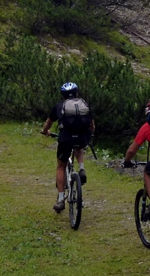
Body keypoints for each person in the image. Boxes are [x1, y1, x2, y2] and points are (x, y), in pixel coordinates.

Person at [41, 82, 95, 212]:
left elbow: (48, 124)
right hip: (82, 137)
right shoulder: (84, 105)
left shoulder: (59, 106)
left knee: (61, 166)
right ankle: (81, 168)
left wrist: (45, 131)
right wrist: (88, 135)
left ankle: (60, 199)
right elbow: (92, 126)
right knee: (79, 147)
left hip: (66, 139)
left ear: (63, 95)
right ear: (77, 93)